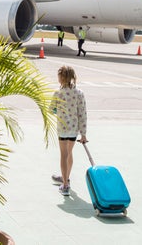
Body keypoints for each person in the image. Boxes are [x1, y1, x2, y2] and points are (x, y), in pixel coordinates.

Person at [50, 65, 87, 196]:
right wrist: (83, 133)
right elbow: (82, 113)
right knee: (69, 153)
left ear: (62, 78)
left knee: (63, 154)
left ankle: (65, 185)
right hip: (73, 130)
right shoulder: (79, 93)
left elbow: (51, 109)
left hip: (62, 128)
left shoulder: (58, 93)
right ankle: (66, 177)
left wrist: (59, 110)